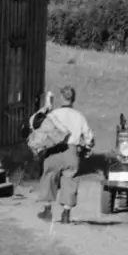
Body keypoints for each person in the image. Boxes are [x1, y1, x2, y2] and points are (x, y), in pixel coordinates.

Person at [36, 86, 94, 225]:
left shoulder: (53, 115)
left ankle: (47, 210)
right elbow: (89, 138)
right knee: (70, 179)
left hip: (54, 150)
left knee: (49, 176)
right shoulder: (79, 116)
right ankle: (66, 214)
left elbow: (42, 133)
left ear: (61, 97)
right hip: (72, 151)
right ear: (73, 99)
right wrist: (86, 147)